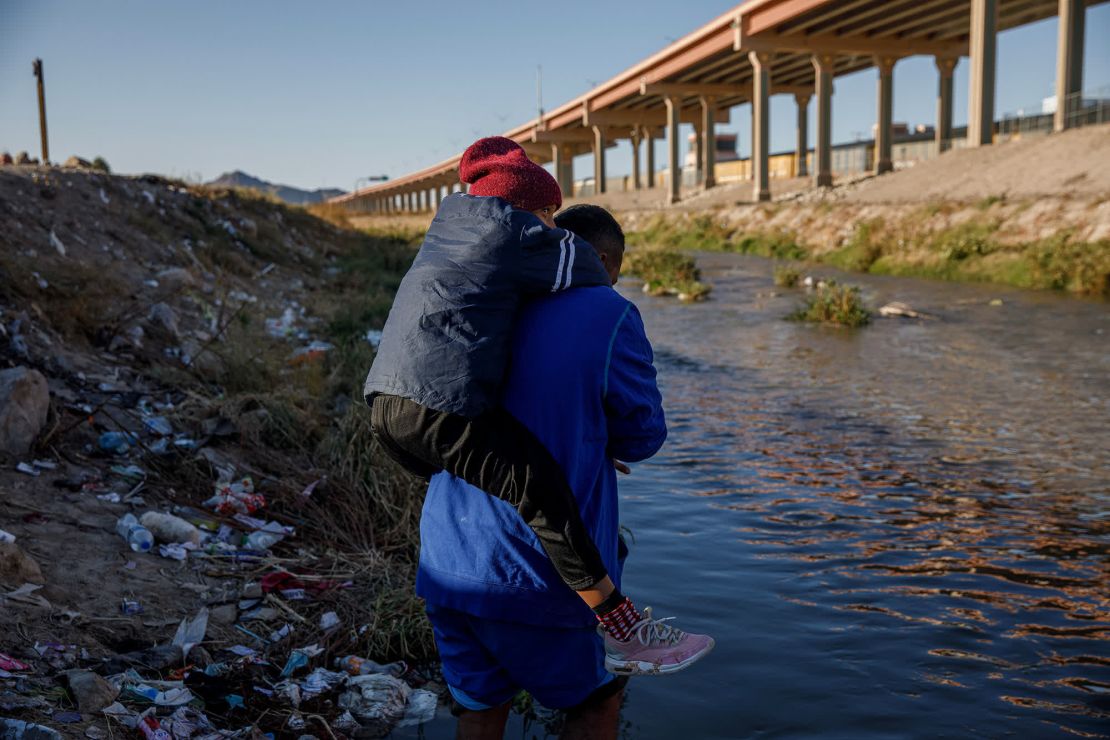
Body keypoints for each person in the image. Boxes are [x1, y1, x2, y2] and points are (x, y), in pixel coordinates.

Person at [364, 136, 710, 669]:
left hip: (388, 411)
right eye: (549, 213)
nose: (551, 225)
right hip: (443, 419)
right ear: (531, 210)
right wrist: (602, 282)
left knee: (479, 705)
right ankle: (621, 626)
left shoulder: (450, 236)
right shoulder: (522, 241)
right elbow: (585, 266)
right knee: (540, 489)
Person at [417, 204, 713, 738]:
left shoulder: (487, 294)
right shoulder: (609, 312)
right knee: (598, 699)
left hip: (446, 555)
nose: (615, 281)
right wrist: (594, 432)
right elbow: (643, 437)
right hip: (541, 566)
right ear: (599, 259)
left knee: (481, 703)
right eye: (616, 269)